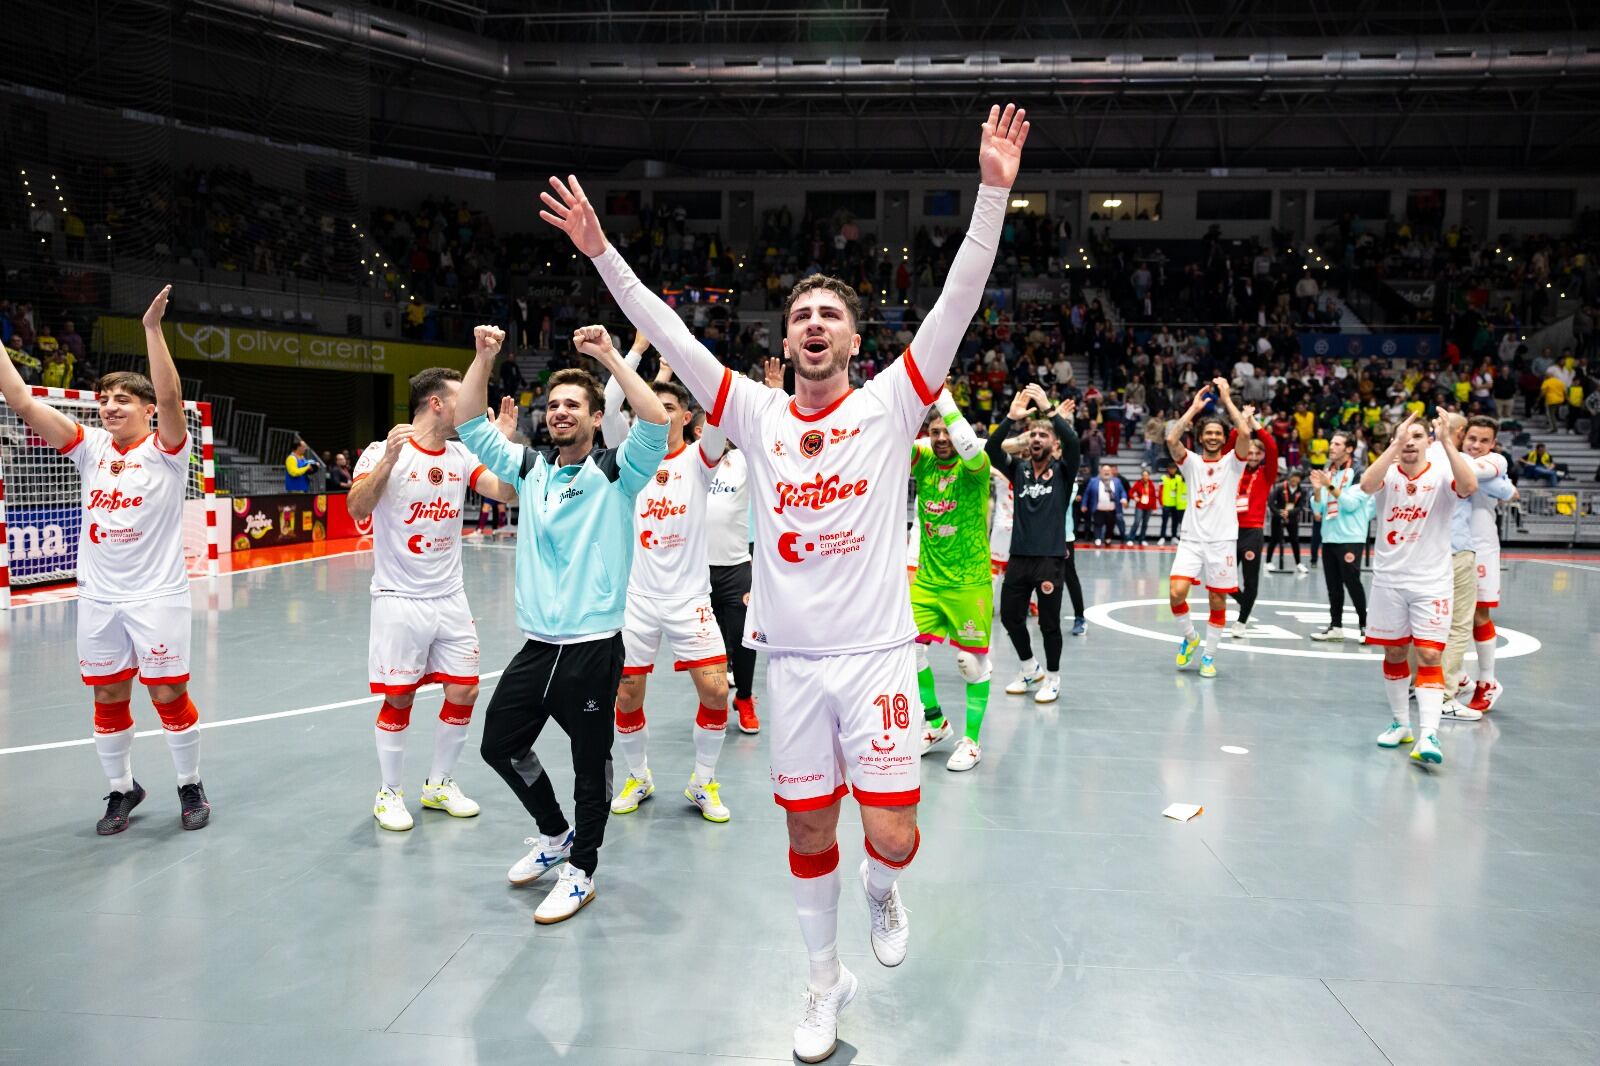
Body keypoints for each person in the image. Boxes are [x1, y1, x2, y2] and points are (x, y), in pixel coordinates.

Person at [545, 101, 1027, 1063]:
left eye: (832, 315)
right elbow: (668, 331)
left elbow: (960, 299)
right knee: (808, 833)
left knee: (887, 836)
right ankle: (823, 985)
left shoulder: (895, 401)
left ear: (855, 340)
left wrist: (990, 196)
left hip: (882, 661)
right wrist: (602, 254)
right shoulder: (753, 410)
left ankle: (884, 893)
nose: (814, 325)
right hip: (795, 665)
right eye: (802, 314)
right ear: (788, 337)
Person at [453, 323, 669, 924]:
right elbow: (470, 425)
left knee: (589, 766)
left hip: (593, 646)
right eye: (552, 405)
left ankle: (582, 871)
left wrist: (607, 357)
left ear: (596, 417)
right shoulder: (531, 469)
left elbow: (654, 422)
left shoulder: (616, 474)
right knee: (500, 744)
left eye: (573, 404)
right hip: (538, 645)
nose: (560, 412)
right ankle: (555, 835)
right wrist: (482, 358)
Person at [0, 285, 210, 834]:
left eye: (122, 399)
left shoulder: (166, 452)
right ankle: (121, 790)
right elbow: (21, 400)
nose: (110, 406)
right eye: (104, 399)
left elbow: (170, 399)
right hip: (97, 597)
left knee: (167, 693)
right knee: (109, 693)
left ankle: (190, 785)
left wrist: (152, 330)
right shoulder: (89, 447)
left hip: (157, 596)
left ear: (143, 409)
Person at [346, 369, 519, 830]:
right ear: (437, 404)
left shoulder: (462, 455)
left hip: (450, 598)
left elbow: (507, 493)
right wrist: (388, 461)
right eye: (461, 401)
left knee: (464, 689)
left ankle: (439, 784)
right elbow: (357, 508)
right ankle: (389, 792)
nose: (469, 410)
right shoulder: (382, 450)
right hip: (399, 597)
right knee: (399, 699)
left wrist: (500, 446)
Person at [599, 352, 735, 824]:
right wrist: (631, 354)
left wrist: (685, 359)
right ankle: (639, 776)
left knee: (717, 693)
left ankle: (702, 781)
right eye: (649, 409)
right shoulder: (629, 457)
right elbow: (612, 401)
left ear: (685, 417)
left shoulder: (700, 458)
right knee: (626, 695)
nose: (658, 415)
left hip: (689, 599)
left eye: (669, 408)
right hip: (635, 599)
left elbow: (721, 407)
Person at [1366, 413, 1478, 766]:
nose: (1411, 441)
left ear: (1428, 441)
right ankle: (1401, 724)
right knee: (1396, 653)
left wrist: (1447, 439)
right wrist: (1394, 445)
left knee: (1429, 656)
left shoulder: (1443, 473)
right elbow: (1367, 485)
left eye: (1418, 435)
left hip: (1431, 582)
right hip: (1389, 579)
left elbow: (1470, 486)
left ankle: (1428, 732)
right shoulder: (1387, 473)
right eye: (1405, 436)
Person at [911, 389, 994, 772]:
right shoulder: (923, 458)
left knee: (970, 664)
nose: (942, 438)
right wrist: (916, 390)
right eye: (935, 432)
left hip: (969, 582)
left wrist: (941, 397)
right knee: (908, 654)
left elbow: (966, 442)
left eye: (947, 432)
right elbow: (888, 440)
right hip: (928, 581)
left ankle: (972, 742)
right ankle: (935, 723)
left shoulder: (975, 467)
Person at [987, 384, 1081, 703]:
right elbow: (991, 449)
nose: (1037, 439)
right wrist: (1010, 419)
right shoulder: (1020, 471)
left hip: (1051, 560)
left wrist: (1049, 410)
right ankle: (1030, 669)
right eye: (1033, 436)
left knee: (1049, 623)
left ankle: (1053, 678)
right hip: (1020, 558)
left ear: (1053, 444)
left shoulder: (1064, 472)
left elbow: (1074, 443)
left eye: (1043, 436)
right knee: (1011, 616)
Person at [1165, 379, 1253, 679]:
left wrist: (1227, 399)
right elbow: (1171, 440)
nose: (1213, 437)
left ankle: (1209, 656)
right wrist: (1193, 408)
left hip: (1222, 542)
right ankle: (1191, 638)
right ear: (1201, 437)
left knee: (1218, 599)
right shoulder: (1190, 462)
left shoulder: (1233, 463)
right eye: (1208, 433)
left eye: (1218, 433)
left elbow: (1245, 433)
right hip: (1191, 540)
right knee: (1176, 593)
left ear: (1222, 437)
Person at [703, 362, 771, 737]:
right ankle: (712, 702)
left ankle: (744, 698)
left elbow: (770, 439)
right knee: (709, 644)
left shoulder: (741, 462)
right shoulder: (693, 464)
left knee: (745, 639)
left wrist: (773, 391)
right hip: (695, 571)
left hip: (735, 568)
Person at [1457, 416, 1516, 715]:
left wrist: (1503, 487)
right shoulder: (1457, 460)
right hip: (1452, 549)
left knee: (1480, 614)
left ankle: (1488, 681)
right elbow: (1508, 491)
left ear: (1493, 444)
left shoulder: (1496, 461)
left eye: (1483, 440)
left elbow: (1510, 491)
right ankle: (1459, 677)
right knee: (1449, 615)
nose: (1477, 445)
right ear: (1463, 437)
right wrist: (1503, 489)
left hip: (1482, 549)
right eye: (1472, 439)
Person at [1308, 430, 1372, 641]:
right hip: (1329, 536)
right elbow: (1318, 508)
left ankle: (1365, 626)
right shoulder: (1330, 472)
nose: (1331, 447)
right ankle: (1336, 626)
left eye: (1337, 444)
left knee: (1352, 583)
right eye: (1331, 443)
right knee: (1333, 585)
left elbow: (1351, 504)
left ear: (1349, 448)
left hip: (1351, 537)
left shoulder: (1360, 472)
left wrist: (1328, 485)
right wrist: (1318, 490)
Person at [1228, 427, 1279, 637]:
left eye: (1258, 453)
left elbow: (1273, 448)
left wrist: (1256, 425)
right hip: (1229, 530)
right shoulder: (1233, 469)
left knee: (1250, 580)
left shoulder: (1267, 473)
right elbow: (1230, 444)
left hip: (1253, 533)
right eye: (1250, 452)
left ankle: (1242, 620)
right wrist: (1242, 425)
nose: (1254, 456)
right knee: (1224, 578)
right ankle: (1246, 601)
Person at [1267, 471, 1308, 573]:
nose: (1294, 479)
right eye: (1293, 477)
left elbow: (1300, 507)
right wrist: (1279, 512)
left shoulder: (1302, 490)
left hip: (1292, 518)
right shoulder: (1280, 487)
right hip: (1278, 517)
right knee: (1274, 539)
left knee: (1295, 540)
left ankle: (1298, 563)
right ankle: (1267, 562)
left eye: (1297, 477)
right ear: (1289, 478)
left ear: (1300, 479)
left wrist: (1289, 513)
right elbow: (1271, 502)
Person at [1084, 461, 1126, 546]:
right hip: (1099, 508)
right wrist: (1084, 504)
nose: (1106, 472)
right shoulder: (1093, 481)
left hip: (1112, 509)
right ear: (1100, 471)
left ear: (1111, 472)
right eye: (1104, 470)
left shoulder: (1117, 481)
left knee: (1110, 525)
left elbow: (1122, 492)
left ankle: (1108, 538)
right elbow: (1086, 493)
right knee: (1097, 524)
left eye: (1108, 470)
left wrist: (1124, 498)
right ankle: (1097, 538)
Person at [1128, 466, 1160, 545]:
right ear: (1141, 476)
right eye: (1143, 475)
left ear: (1149, 476)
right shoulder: (1138, 483)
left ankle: (1141, 539)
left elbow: (1153, 496)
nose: (1145, 477)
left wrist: (1154, 508)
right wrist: (1135, 497)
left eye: (1146, 475)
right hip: (1140, 506)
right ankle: (1131, 538)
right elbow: (1130, 492)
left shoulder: (1151, 484)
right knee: (1137, 522)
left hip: (1149, 507)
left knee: (1145, 523)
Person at [1158, 461, 1186, 543]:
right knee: (1164, 521)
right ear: (1168, 469)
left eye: (1174, 469)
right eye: (1170, 469)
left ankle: (1174, 536)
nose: (1172, 470)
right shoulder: (1163, 478)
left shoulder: (1178, 478)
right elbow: (1160, 491)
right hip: (1166, 503)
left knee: (1175, 521)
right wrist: (1161, 502)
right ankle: (1162, 537)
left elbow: (1183, 485)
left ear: (1176, 469)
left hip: (1176, 504)